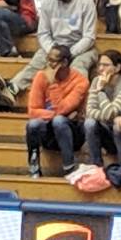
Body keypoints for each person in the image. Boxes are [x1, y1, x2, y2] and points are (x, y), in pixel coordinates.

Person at [23, 44, 85, 177]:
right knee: (33, 125)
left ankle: (69, 166)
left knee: (59, 121)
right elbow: (33, 111)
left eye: (53, 61)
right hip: (50, 128)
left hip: (72, 132)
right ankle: (34, 166)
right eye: (48, 59)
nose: (48, 64)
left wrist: (52, 84)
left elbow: (62, 108)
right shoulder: (41, 76)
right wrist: (54, 114)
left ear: (64, 62)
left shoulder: (80, 81)